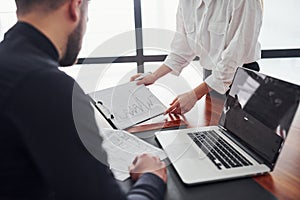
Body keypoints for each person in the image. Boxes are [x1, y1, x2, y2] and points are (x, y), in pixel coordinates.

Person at [0, 0, 167, 199]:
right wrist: (151, 177)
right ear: (75, 7)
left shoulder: (8, 62)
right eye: (87, 14)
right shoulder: (46, 85)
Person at [131, 0, 263, 115]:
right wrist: (154, 76)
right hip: (212, 79)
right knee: (212, 131)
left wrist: (194, 95)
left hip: (243, 77)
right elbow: (182, 48)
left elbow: (234, 57)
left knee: (243, 134)